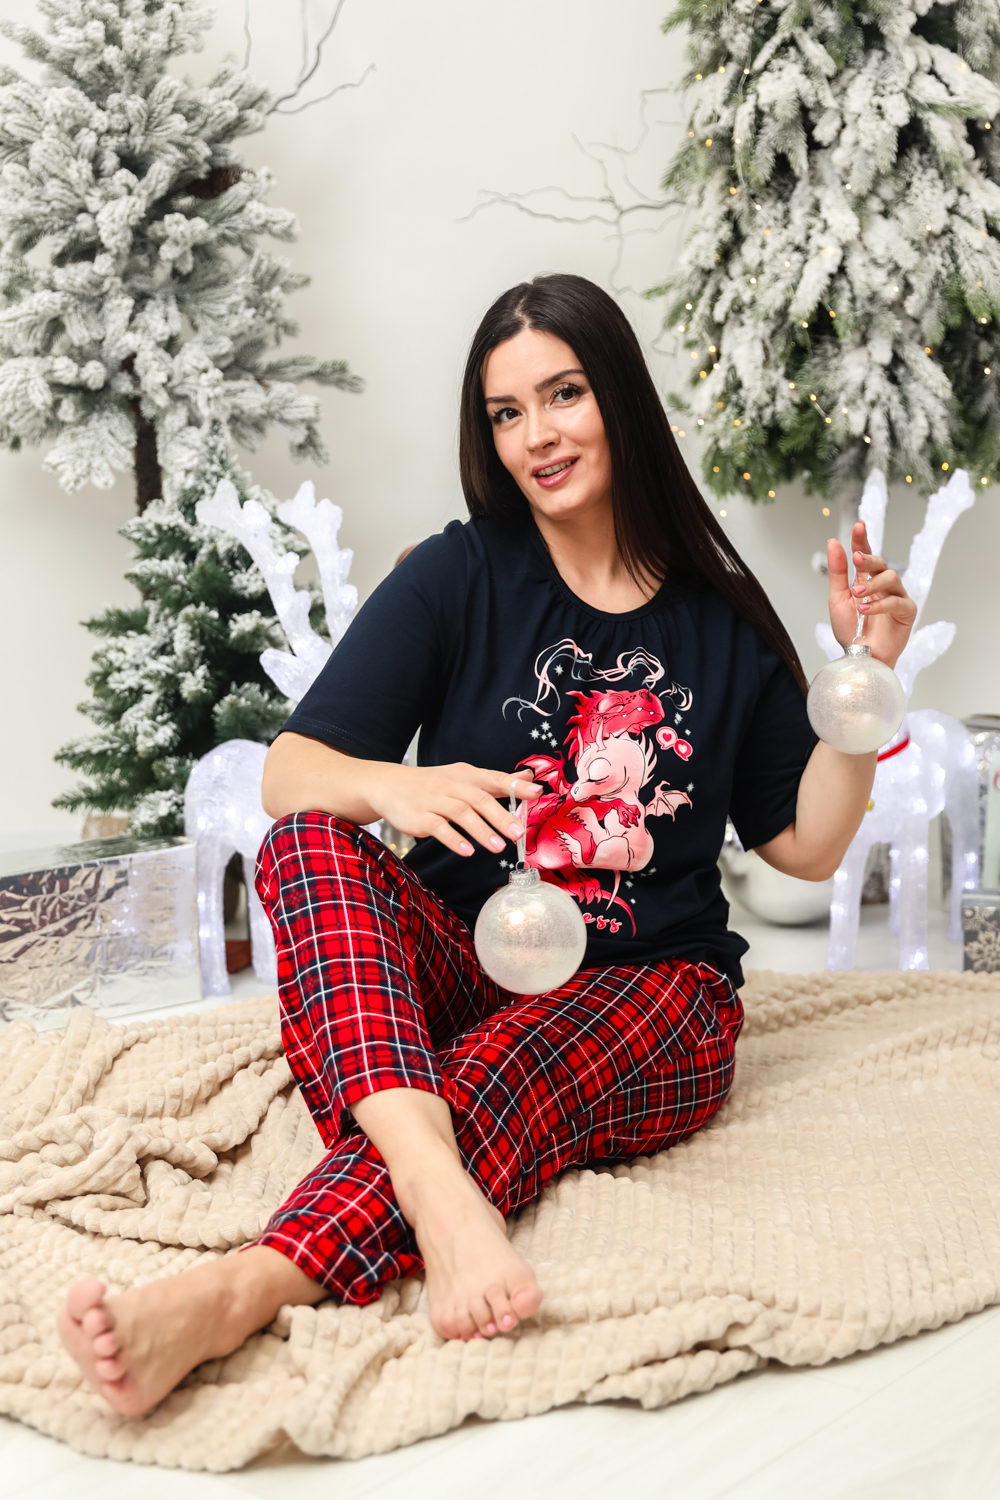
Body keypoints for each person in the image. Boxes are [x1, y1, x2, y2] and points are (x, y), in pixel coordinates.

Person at [58, 273, 917, 1417]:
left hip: (650, 991)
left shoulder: (720, 616)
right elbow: (287, 776)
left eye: (563, 394)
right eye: (506, 413)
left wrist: (865, 678)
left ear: (619, 397)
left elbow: (804, 848)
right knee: (309, 846)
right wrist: (399, 788)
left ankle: (238, 1290)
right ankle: (437, 1186)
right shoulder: (458, 574)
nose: (535, 436)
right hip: (463, 971)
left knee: (502, 1069)